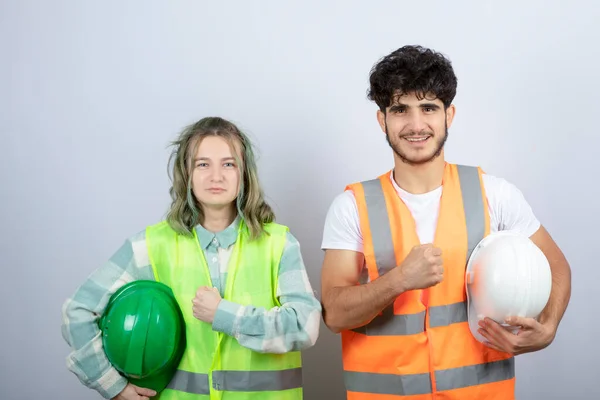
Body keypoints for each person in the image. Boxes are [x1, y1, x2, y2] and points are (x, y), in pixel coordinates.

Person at [319, 45, 571, 399]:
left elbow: (557, 266)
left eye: (428, 108)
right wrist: (399, 280)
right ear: (382, 120)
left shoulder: (494, 195)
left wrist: (549, 327)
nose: (416, 124)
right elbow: (334, 314)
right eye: (400, 109)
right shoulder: (351, 207)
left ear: (448, 115)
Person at [61, 116, 321, 400]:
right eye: (203, 164)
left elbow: (304, 326)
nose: (216, 176)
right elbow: (78, 311)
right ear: (187, 173)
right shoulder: (150, 246)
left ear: (244, 173)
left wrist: (224, 314)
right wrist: (113, 386)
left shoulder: (279, 244)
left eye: (228, 164)